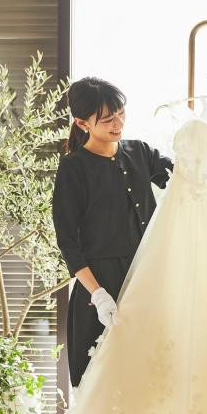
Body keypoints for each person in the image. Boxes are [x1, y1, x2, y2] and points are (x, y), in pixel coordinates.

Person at [51, 77, 173, 387]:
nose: (118, 123)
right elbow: (68, 242)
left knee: (151, 379)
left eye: (121, 113)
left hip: (146, 278)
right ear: (82, 123)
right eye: (107, 119)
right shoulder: (73, 168)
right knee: (102, 383)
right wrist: (98, 294)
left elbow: (182, 178)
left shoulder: (140, 152)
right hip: (101, 287)